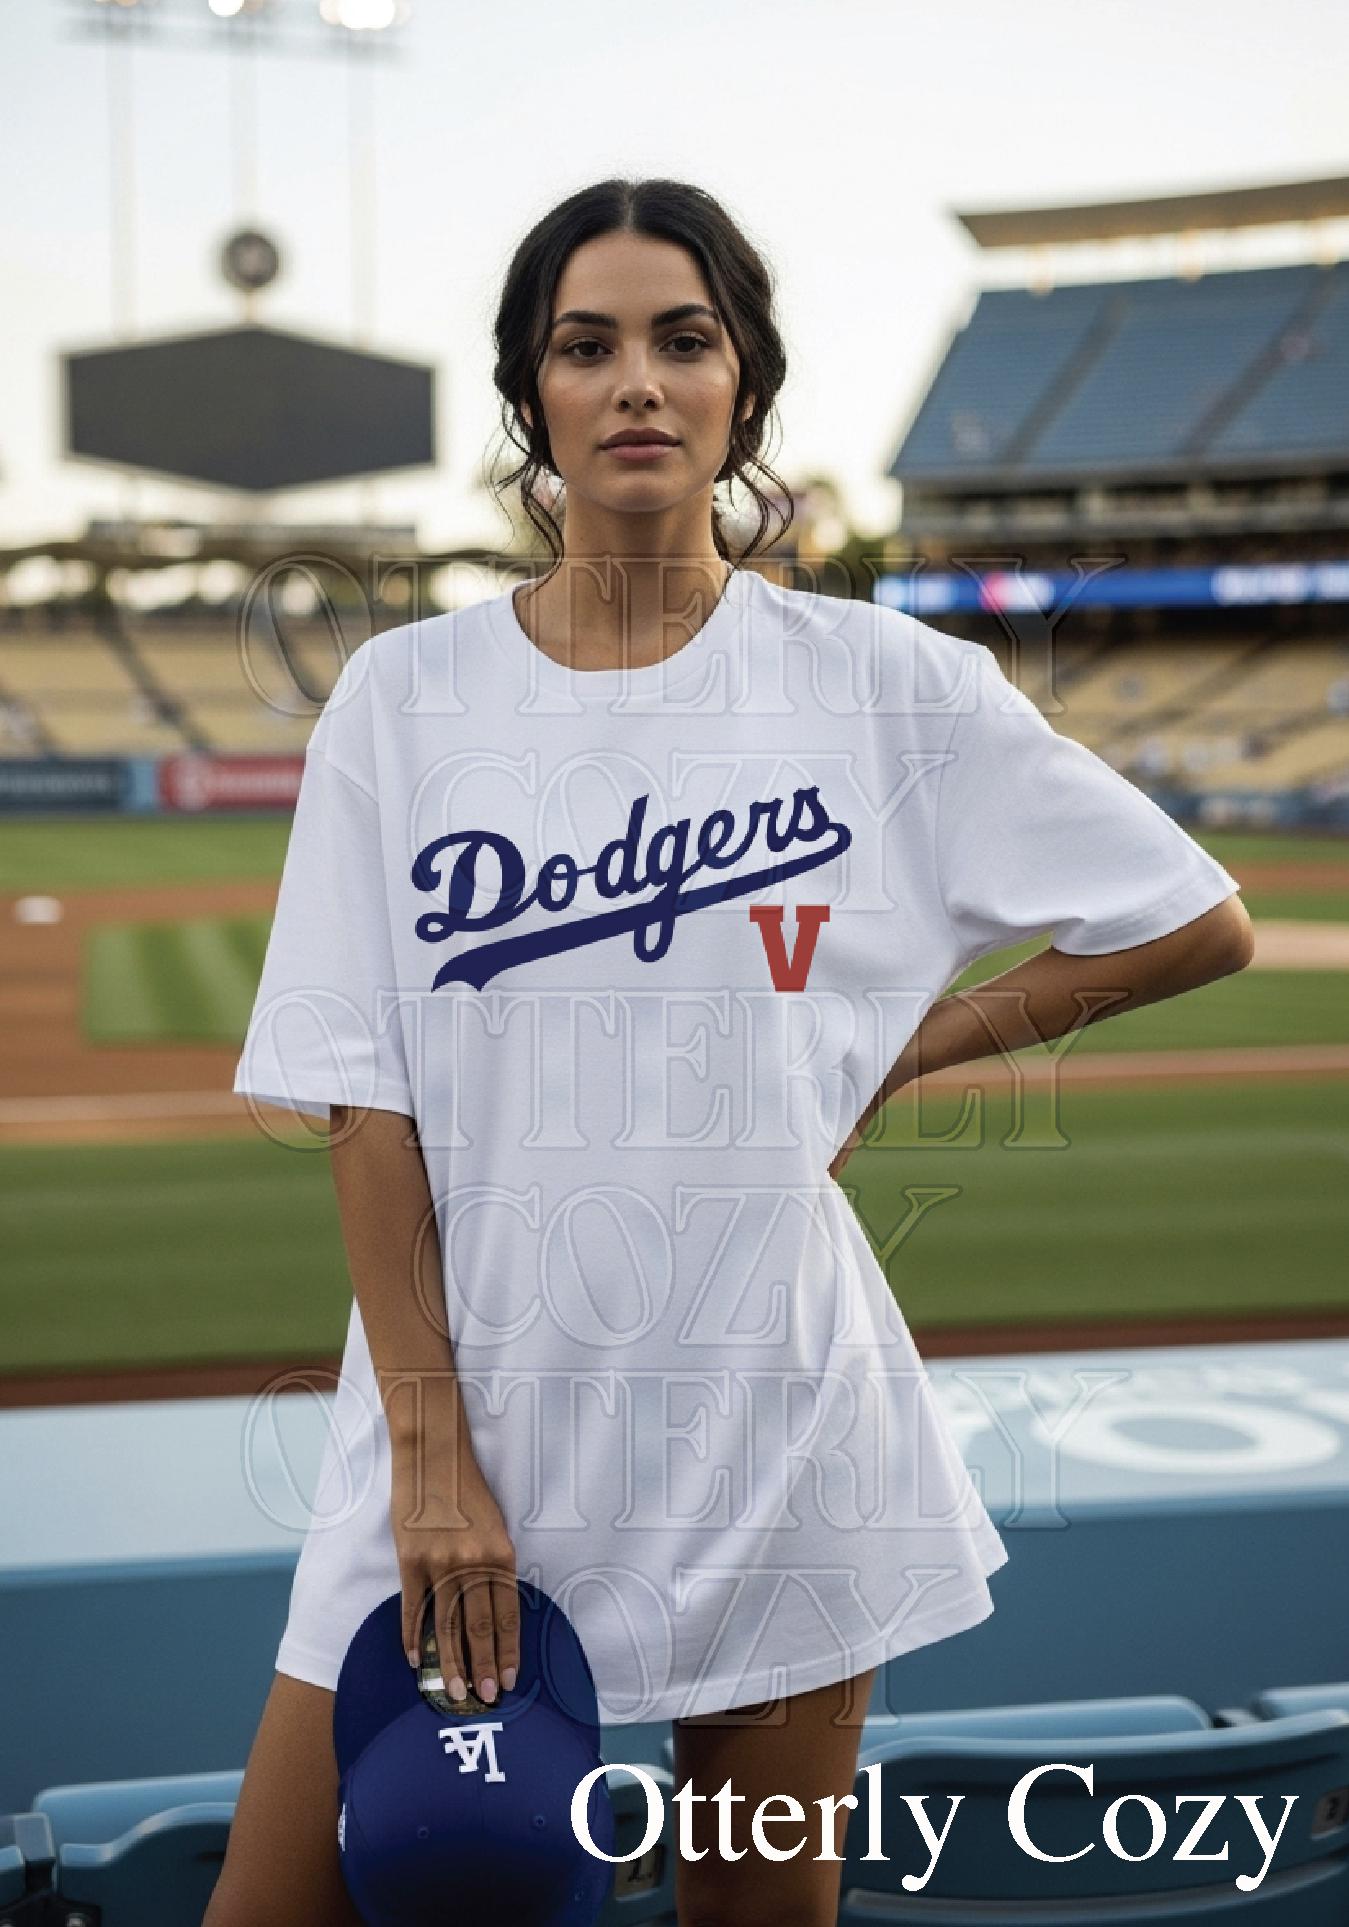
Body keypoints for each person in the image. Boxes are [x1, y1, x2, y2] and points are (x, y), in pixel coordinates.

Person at [206, 177, 1254, 1927]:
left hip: (772, 1430)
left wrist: (895, 1057)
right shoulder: (405, 699)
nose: (636, 382)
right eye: (584, 345)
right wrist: (426, 1453)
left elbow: (1188, 919)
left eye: (682, 341)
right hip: (465, 1419)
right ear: (529, 398)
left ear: (741, 389)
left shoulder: (885, 686)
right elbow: (360, 1089)